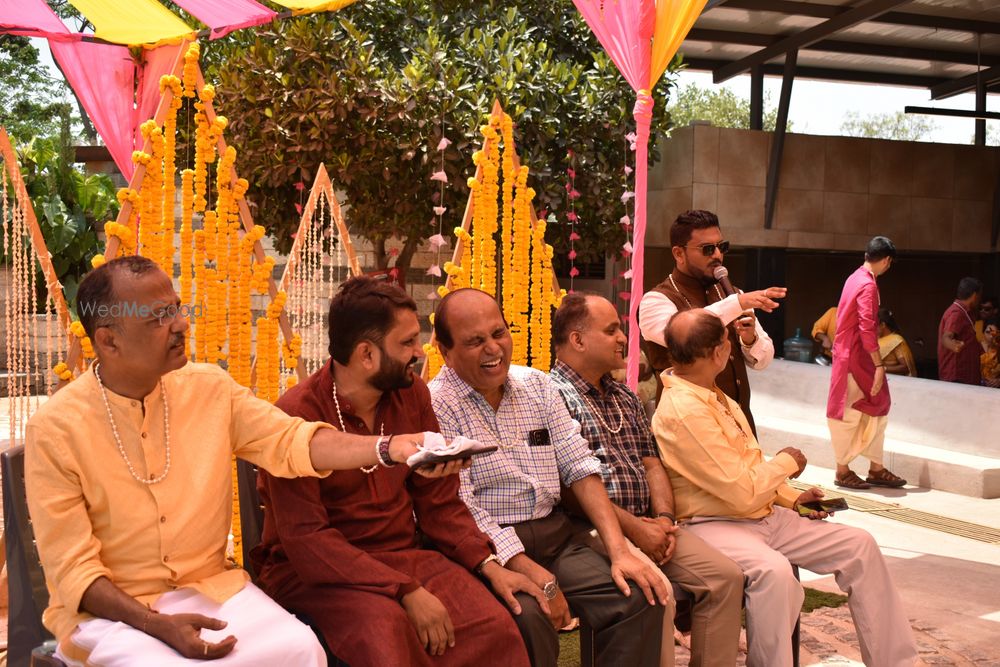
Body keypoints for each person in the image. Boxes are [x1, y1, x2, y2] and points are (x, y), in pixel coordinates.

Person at [24, 256, 440, 666]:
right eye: (157, 318)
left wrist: (387, 448)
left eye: (176, 310)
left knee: (301, 648)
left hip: (215, 591)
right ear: (108, 341)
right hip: (113, 615)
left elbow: (291, 441)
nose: (180, 325)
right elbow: (75, 572)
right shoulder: (56, 429)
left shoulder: (209, 388)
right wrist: (156, 624)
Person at [252, 277, 533, 666]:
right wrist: (404, 590)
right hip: (317, 573)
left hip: (406, 557)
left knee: (492, 626)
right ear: (366, 355)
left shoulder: (411, 393)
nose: (420, 352)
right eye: (406, 343)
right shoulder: (298, 413)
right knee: (386, 632)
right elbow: (307, 542)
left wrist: (485, 563)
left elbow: (440, 505)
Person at [654, 309, 919, 667]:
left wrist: (795, 500)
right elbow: (740, 490)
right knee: (775, 573)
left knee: (860, 546)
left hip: (760, 515)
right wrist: (787, 462)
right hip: (712, 524)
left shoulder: (711, 394)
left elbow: (744, 473)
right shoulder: (684, 409)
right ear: (719, 352)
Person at [429, 288, 669, 667]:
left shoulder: (537, 386)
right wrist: (533, 572)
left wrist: (621, 551)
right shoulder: (437, 404)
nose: (493, 349)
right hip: (490, 548)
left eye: (499, 333)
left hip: (557, 538)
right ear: (445, 351)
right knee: (531, 616)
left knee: (638, 596)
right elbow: (462, 506)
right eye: (475, 341)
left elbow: (580, 467)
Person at [550, 293, 744, 667]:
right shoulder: (551, 395)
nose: (623, 338)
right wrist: (638, 531)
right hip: (589, 527)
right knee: (658, 592)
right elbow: (572, 492)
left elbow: (651, 462)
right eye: (611, 331)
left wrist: (665, 520)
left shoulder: (622, 392)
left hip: (651, 525)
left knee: (726, 577)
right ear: (577, 340)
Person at [638, 209, 786, 433]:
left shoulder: (732, 294)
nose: (717, 255)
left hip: (741, 425)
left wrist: (750, 339)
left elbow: (763, 360)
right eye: (708, 249)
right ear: (679, 254)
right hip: (688, 430)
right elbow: (685, 335)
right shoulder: (655, 301)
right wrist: (736, 303)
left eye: (721, 246)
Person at [826, 236, 907, 490]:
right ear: (886, 261)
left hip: (848, 355)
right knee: (850, 412)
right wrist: (879, 366)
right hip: (856, 358)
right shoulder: (868, 285)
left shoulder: (855, 276)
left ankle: (876, 467)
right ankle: (843, 470)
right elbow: (866, 327)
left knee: (875, 407)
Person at [938, 277, 983, 385]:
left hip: (966, 378)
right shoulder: (956, 313)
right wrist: (952, 344)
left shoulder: (966, 312)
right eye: (980, 295)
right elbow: (946, 337)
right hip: (957, 378)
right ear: (975, 295)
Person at [878, 307, 917, 377]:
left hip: (894, 382)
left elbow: (905, 367)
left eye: (875, 325)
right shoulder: (875, 340)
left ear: (883, 325)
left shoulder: (896, 340)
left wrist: (883, 368)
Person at [981, 318, 1000, 388]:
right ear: (983, 333)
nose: (991, 336)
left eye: (994, 333)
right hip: (976, 387)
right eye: (988, 332)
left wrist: (999, 381)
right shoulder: (976, 348)